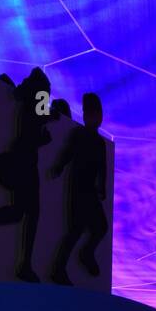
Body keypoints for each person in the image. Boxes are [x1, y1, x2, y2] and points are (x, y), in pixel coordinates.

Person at [0, 68, 52, 282]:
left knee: (23, 212)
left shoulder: (33, 93)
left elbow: (33, 112)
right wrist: (43, 139)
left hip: (25, 158)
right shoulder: (41, 92)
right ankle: (24, 264)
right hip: (25, 159)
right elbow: (35, 127)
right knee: (31, 213)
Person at [49, 92, 109, 285]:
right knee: (75, 229)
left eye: (98, 114)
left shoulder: (100, 142)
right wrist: (58, 166)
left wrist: (102, 186)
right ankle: (59, 268)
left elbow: (102, 166)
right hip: (78, 189)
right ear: (86, 115)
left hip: (90, 191)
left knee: (101, 227)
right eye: (92, 113)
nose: (96, 118)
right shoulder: (79, 134)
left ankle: (86, 253)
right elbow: (68, 153)